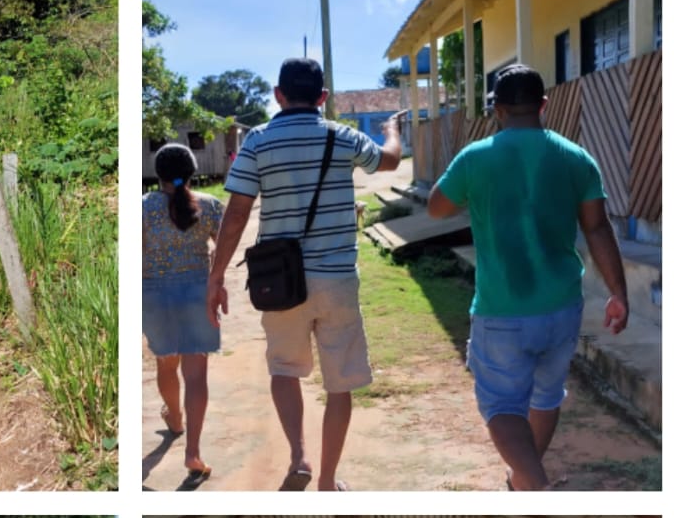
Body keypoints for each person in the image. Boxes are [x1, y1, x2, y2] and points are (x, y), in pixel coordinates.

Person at [427, 64, 627, 491]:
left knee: (501, 405)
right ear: (543, 105)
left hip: (502, 309)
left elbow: (436, 208)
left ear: (497, 109)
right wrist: (618, 293)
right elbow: (597, 227)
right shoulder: (576, 157)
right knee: (547, 395)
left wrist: (470, 178)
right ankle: (525, 480)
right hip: (561, 306)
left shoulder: (476, 157)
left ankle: (532, 485)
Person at [210, 60, 403, 491]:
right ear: (322, 98)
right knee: (340, 383)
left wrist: (216, 275)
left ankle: (298, 458)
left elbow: (238, 212)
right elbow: (389, 161)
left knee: (284, 369)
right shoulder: (344, 136)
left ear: (278, 94)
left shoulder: (257, 141)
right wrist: (391, 130)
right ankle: (328, 481)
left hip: (280, 281)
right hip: (337, 279)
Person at [143, 142, 223, 481]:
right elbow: (225, 246)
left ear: (157, 173)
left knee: (166, 362)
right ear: (192, 171)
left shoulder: (142, 208)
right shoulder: (209, 205)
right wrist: (217, 282)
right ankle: (193, 452)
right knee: (196, 374)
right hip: (196, 294)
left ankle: (174, 417)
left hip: (155, 296)